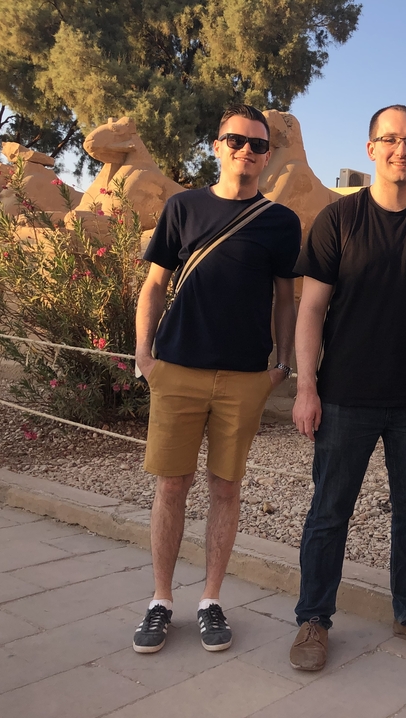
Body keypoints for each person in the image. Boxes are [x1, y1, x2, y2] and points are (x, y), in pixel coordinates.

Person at [288, 104, 406, 671]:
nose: (403, 150)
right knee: (328, 513)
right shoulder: (337, 221)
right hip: (344, 396)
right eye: (390, 140)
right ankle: (313, 620)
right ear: (371, 150)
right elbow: (311, 309)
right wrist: (306, 388)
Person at [132, 104, 300, 654]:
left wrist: (281, 364)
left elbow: (285, 297)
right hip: (177, 368)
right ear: (217, 145)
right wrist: (144, 357)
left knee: (226, 489)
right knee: (171, 486)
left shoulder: (280, 221)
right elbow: (154, 286)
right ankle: (161, 600)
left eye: (256, 145)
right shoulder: (183, 207)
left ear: (267, 156)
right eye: (235, 140)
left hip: (246, 376)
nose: (245, 152)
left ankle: (210, 599)